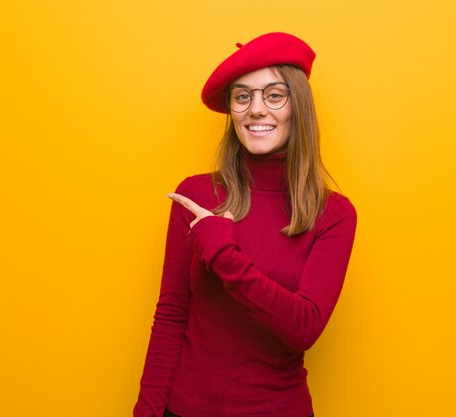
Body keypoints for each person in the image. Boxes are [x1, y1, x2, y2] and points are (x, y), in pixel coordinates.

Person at [133, 32, 357, 417]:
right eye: (242, 96)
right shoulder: (195, 195)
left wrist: (224, 255)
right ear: (232, 110)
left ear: (297, 106)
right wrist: (147, 412)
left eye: (273, 95)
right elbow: (171, 315)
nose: (256, 109)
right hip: (183, 409)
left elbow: (304, 328)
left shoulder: (333, 213)